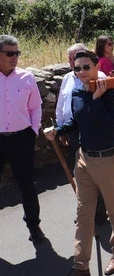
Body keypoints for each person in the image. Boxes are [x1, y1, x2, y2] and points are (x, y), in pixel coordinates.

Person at [44, 50, 114, 276]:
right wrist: (59, 130)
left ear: (95, 65)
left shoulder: (109, 91)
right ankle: (81, 265)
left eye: (85, 67)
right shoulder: (78, 92)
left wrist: (97, 100)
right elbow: (76, 121)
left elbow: (110, 126)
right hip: (84, 159)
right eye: (77, 68)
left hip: (108, 159)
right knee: (83, 213)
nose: (81, 72)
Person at [56, 43, 108, 224]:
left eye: (76, 59)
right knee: (79, 172)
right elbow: (62, 103)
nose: (73, 64)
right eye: (71, 60)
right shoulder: (68, 78)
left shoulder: (98, 78)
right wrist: (60, 127)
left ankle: (100, 212)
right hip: (72, 130)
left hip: (91, 130)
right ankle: (85, 210)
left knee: (95, 174)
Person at [0, 34, 44, 245]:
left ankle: (34, 227)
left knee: (27, 186)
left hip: (21, 139)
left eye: (17, 53)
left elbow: (35, 106)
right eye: (9, 53)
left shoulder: (26, 77)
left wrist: (33, 131)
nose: (14, 57)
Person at [95, 35, 114, 110]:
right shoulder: (95, 59)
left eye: (112, 43)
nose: (112, 46)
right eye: (109, 44)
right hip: (102, 89)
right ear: (102, 46)